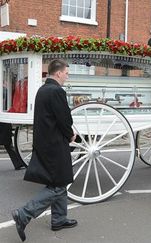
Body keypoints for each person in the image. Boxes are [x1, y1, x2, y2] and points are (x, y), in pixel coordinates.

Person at [12, 59, 77, 242]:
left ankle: (59, 219)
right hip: (55, 144)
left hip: (45, 142)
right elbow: (64, 118)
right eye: (66, 73)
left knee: (61, 181)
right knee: (57, 186)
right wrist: (71, 134)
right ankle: (23, 214)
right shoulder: (57, 91)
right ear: (58, 73)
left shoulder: (42, 89)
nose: (67, 76)